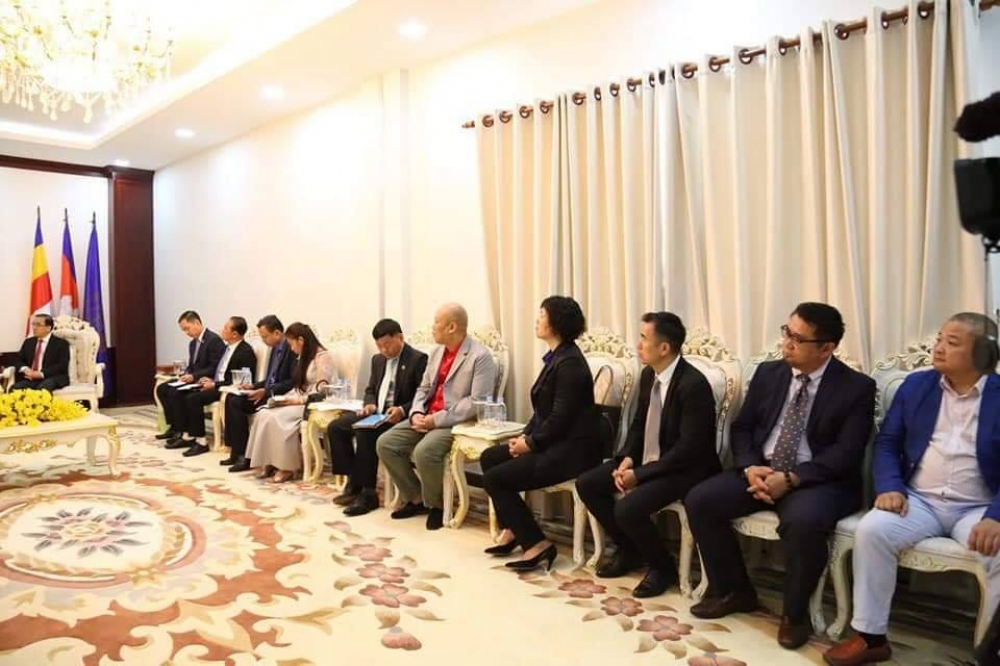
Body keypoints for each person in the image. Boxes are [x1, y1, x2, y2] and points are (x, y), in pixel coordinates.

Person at [685, 302, 876, 650]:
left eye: (798, 338)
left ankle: (794, 615)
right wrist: (750, 467)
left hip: (818, 480)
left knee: (803, 523)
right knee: (700, 500)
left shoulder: (856, 387)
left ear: (826, 348)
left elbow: (846, 453)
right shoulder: (769, 373)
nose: (786, 343)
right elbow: (743, 427)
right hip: (762, 468)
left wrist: (791, 479)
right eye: (787, 332)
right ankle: (735, 591)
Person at [824, 313, 1000, 666]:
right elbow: (888, 442)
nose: (938, 347)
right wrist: (890, 487)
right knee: (873, 530)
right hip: (919, 501)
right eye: (940, 338)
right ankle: (871, 637)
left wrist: (996, 516)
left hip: (979, 507)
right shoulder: (917, 386)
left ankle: (991, 651)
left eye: (952, 342)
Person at [576, 311, 718, 596]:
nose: (638, 345)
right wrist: (628, 458)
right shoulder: (648, 374)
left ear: (664, 348)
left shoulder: (693, 385)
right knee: (587, 484)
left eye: (643, 338)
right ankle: (630, 549)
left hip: (686, 469)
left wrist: (639, 475)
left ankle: (662, 567)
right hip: (650, 460)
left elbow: (689, 450)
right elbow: (640, 425)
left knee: (628, 508)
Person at [478, 296, 601, 572]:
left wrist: (531, 444)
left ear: (556, 322)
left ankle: (537, 544)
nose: (537, 319)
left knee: (495, 479)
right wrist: (524, 437)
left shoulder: (570, 364)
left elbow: (560, 419)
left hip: (571, 451)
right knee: (490, 458)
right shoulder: (557, 357)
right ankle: (514, 529)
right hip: (553, 442)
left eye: (542, 314)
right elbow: (542, 412)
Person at [376, 303, 497, 530]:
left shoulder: (480, 357)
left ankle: (437, 505)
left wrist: (436, 420)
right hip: (426, 416)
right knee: (386, 443)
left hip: (455, 422)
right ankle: (416, 498)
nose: (432, 326)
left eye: (436, 322)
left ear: (452, 327)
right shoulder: (436, 352)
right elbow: (423, 388)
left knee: (424, 451)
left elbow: (476, 402)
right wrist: (416, 413)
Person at [328, 319, 428, 516]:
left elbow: (423, 396)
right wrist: (369, 404)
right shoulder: (378, 360)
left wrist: (402, 409)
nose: (384, 350)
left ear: (400, 337)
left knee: (365, 432)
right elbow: (370, 389)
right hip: (376, 413)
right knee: (337, 427)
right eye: (379, 346)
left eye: (387, 344)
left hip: (397, 417)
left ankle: (368, 494)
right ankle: (354, 482)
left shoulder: (417, 359)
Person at [246, 323, 336, 483]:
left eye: (292, 344)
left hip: (312, 403)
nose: (291, 348)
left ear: (301, 340)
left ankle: (286, 467)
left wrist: (295, 400)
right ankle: (269, 461)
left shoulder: (322, 357)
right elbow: (297, 384)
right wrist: (284, 399)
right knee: (264, 413)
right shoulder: (303, 355)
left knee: (279, 418)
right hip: (297, 396)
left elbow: (322, 391)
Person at [170, 316, 257, 457]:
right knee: (182, 393)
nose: (221, 330)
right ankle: (188, 435)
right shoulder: (228, 348)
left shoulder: (245, 351)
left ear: (235, 334)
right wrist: (210, 380)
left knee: (193, 398)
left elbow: (239, 379)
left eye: (225, 328)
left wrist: (214, 384)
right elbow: (220, 370)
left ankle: (201, 442)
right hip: (217, 383)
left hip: (225, 388)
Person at [222, 315, 296, 472]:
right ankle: (236, 450)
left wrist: (266, 391)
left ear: (277, 333)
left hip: (279, 395)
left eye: (265, 336)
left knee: (236, 403)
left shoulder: (291, 349)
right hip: (267, 392)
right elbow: (270, 378)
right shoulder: (274, 348)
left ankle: (245, 456)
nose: (263, 341)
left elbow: (292, 382)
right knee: (231, 397)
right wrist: (253, 386)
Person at [156, 311, 226, 443]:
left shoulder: (213, 340)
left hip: (206, 380)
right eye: (183, 330)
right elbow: (192, 366)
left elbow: (215, 367)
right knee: (162, 388)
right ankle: (174, 427)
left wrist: (193, 376)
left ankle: (183, 432)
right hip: (193, 379)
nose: (186, 332)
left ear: (196, 323)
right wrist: (186, 374)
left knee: (175, 392)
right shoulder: (193, 343)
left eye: (187, 328)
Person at [8, 314, 70, 391]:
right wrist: (26, 369)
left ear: (48, 328)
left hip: (51, 377)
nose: (34, 328)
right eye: (33, 324)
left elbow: (62, 365)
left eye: (38, 325)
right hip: (30, 378)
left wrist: (40, 374)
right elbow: (18, 360)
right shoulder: (29, 342)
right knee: (14, 389)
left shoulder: (61, 344)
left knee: (43, 388)